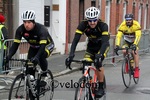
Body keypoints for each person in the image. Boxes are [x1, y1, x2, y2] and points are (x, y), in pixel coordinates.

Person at [65, 7, 110, 98]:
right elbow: (75, 40)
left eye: (94, 20)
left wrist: (100, 55)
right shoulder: (83, 25)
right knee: (86, 64)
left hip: (102, 46)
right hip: (91, 47)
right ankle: (87, 82)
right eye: (90, 21)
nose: (92, 23)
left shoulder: (103, 25)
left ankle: (100, 86)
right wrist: (71, 54)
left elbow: (105, 42)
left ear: (97, 19)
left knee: (98, 63)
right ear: (87, 20)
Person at [5, 10, 54, 77]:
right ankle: (31, 82)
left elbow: (42, 46)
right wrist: (9, 55)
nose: (26, 25)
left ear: (33, 22)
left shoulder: (41, 29)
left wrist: (37, 57)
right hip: (33, 47)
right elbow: (15, 44)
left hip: (46, 46)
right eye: (24, 22)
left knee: (41, 56)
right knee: (29, 67)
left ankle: (44, 75)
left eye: (29, 22)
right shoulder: (20, 29)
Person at [115, 13, 141, 78]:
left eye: (129, 20)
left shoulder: (136, 25)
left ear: (132, 19)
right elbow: (118, 36)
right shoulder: (122, 25)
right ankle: (127, 63)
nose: (128, 21)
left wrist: (135, 44)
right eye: (127, 20)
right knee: (124, 51)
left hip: (134, 41)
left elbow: (138, 36)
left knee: (134, 52)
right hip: (126, 41)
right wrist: (117, 45)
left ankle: (137, 69)